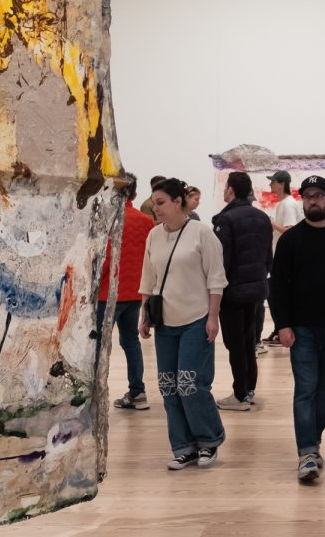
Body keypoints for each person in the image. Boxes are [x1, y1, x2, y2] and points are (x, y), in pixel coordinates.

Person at [269, 175, 325, 482]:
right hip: (301, 327)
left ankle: (313, 443)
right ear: (302, 200)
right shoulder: (291, 240)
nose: (313, 200)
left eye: (318, 195)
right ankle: (307, 451)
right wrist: (283, 325)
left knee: (324, 391)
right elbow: (278, 285)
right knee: (306, 390)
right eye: (308, 196)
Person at [139, 178, 228, 470]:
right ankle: (183, 446)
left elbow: (216, 279)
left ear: (179, 202)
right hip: (165, 322)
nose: (156, 208)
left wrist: (213, 318)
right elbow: (148, 279)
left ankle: (209, 439)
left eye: (161, 202)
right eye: (154, 202)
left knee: (190, 383)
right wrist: (144, 314)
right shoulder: (153, 236)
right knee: (168, 386)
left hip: (196, 318)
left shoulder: (202, 233)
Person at [212, 171, 273, 411]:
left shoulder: (224, 220)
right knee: (249, 340)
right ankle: (248, 389)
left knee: (235, 343)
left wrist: (216, 290)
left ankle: (239, 395)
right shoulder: (262, 218)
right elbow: (268, 257)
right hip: (256, 288)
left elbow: (222, 261)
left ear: (231, 190)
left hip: (233, 291)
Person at [96, 178, 155, 410]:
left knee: (99, 345)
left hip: (107, 295)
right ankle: (137, 392)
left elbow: (105, 259)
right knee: (131, 342)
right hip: (136, 293)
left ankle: (95, 394)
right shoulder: (146, 221)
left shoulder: (108, 220)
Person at [258, 170, 303, 352]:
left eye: (273, 182)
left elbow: (290, 231)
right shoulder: (284, 204)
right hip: (279, 257)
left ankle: (281, 331)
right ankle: (279, 330)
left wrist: (270, 223)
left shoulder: (288, 205)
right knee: (274, 294)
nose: (270, 186)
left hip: (284, 259)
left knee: (275, 294)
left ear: (281, 183)